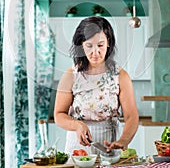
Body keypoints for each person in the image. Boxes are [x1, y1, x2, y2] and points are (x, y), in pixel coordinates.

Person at [54, 16, 139, 155]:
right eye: (89, 46)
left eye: (100, 45)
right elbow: (59, 114)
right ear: (81, 45)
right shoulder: (70, 76)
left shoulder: (121, 76)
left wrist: (124, 140)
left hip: (110, 144)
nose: (95, 52)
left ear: (108, 43)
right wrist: (77, 125)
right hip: (78, 146)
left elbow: (131, 116)